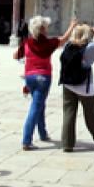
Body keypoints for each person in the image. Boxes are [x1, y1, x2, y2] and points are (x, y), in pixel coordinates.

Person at [14, 15, 76, 150]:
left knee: (40, 104)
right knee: (36, 107)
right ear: (42, 29)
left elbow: (15, 56)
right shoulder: (49, 43)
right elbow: (64, 39)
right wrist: (72, 26)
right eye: (46, 27)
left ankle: (43, 133)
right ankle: (26, 140)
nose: (48, 29)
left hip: (29, 78)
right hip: (43, 78)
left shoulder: (27, 42)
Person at [59, 23, 94, 152]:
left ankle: (67, 144)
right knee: (91, 115)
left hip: (68, 84)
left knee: (68, 114)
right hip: (84, 87)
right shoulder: (90, 47)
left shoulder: (67, 45)